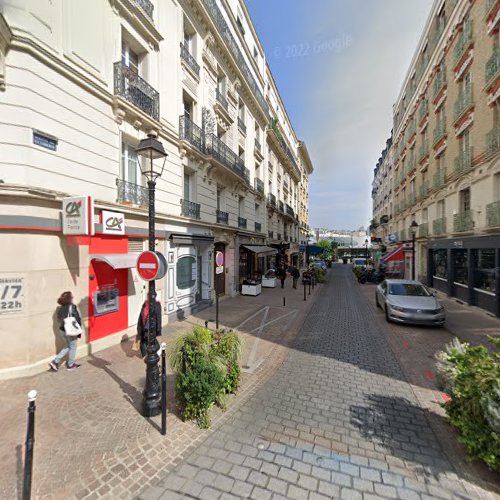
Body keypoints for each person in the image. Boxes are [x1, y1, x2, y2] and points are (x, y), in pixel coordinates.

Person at [49, 291, 82, 371]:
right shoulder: (72, 306)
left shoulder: (60, 308)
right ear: (69, 298)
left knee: (68, 346)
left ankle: (55, 362)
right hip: (71, 330)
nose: (73, 298)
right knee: (73, 347)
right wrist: (79, 331)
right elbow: (77, 319)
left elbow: (59, 319)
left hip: (62, 330)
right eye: (71, 297)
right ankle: (70, 365)